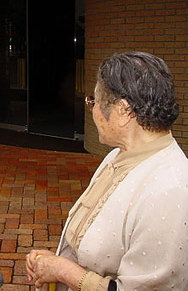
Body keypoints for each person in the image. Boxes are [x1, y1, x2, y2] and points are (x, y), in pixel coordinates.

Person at [26, 51, 188, 291]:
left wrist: (64, 271)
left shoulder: (169, 189)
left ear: (123, 111)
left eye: (94, 102)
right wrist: (56, 260)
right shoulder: (118, 154)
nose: (92, 111)